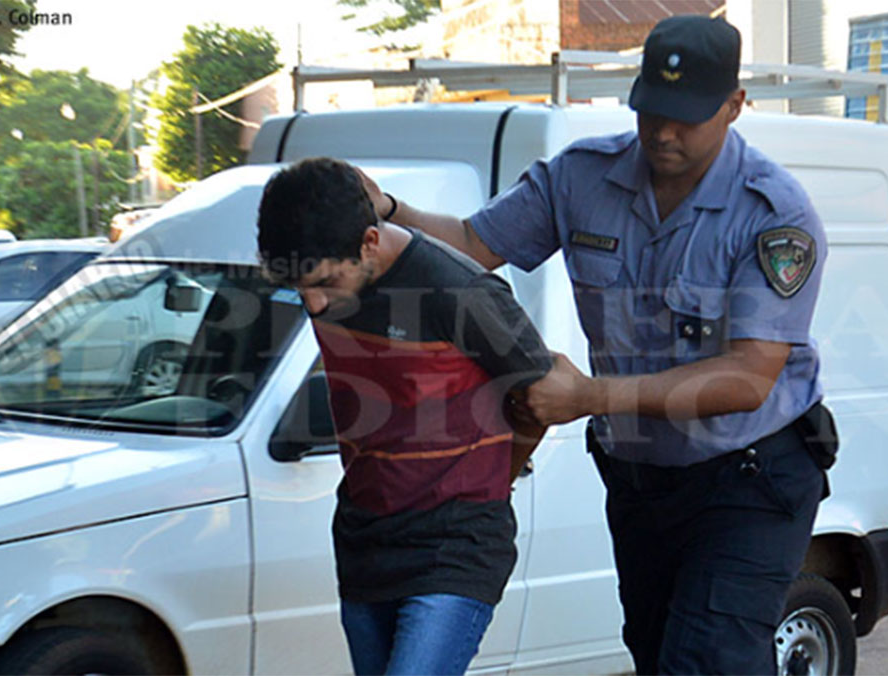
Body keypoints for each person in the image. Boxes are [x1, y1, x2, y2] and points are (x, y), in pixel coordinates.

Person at [357, 15, 835, 675]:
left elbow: (749, 377)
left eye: (685, 118)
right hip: (642, 480)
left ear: (734, 106)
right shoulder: (582, 178)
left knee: (705, 662)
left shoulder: (773, 213)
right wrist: (388, 211)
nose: (662, 132)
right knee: (657, 655)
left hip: (749, 480)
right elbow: (472, 245)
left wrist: (587, 396)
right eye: (651, 110)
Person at [257, 157, 552, 676]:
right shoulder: (322, 278)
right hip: (365, 541)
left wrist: (495, 477)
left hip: (455, 544)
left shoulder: (457, 291)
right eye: (298, 288)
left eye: (324, 283)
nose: (314, 305)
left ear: (370, 241)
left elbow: (541, 394)